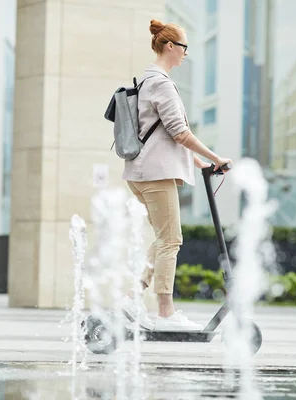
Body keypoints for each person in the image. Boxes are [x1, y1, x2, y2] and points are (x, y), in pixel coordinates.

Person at [121, 20, 232, 332]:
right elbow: (180, 133)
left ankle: (131, 296)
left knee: (162, 238)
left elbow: (165, 136)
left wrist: (200, 165)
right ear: (170, 46)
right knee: (171, 240)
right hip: (156, 175)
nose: (185, 53)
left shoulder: (148, 80)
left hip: (144, 173)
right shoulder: (161, 83)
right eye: (184, 47)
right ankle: (165, 313)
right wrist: (216, 158)